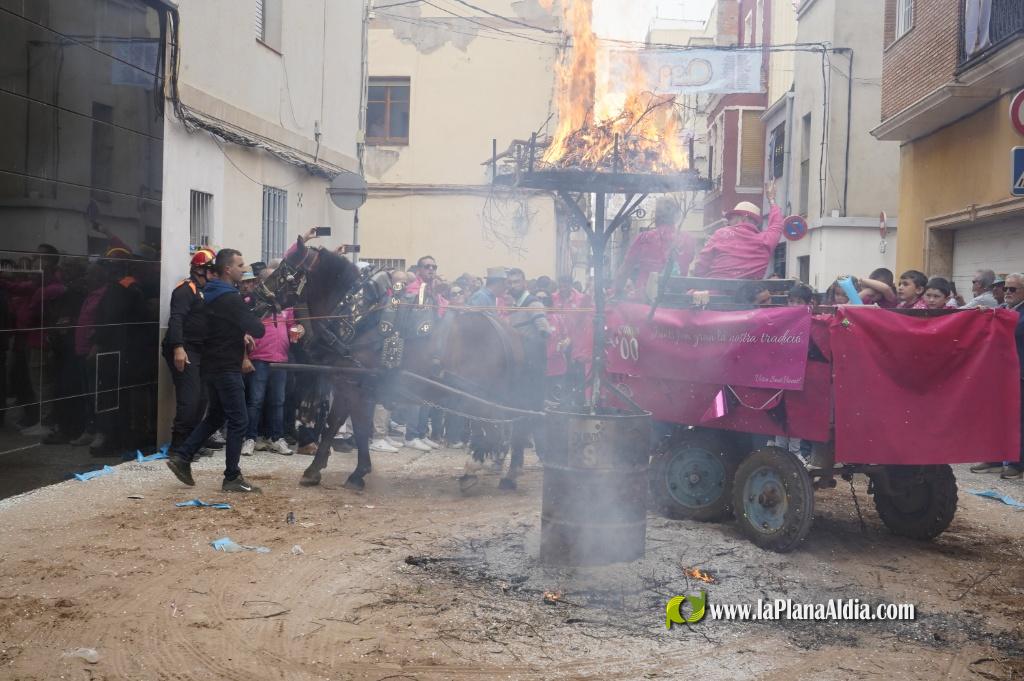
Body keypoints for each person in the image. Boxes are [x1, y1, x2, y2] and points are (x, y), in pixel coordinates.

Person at [165, 249, 267, 494]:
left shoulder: (211, 293)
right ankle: (232, 476)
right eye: (240, 265)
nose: (244, 269)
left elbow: (227, 324)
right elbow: (258, 329)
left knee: (216, 416)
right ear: (228, 269)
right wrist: (259, 313)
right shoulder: (230, 297)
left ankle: (182, 456)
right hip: (225, 366)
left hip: (211, 364)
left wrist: (241, 329)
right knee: (239, 420)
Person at [501, 268, 551, 489]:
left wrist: (539, 337)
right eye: (510, 282)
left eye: (517, 281)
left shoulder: (532, 303)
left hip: (532, 369)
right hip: (520, 368)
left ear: (524, 282)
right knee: (525, 415)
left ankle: (546, 460)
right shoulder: (515, 306)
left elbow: (543, 329)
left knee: (531, 414)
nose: (513, 284)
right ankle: (529, 459)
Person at [971, 272, 1024, 479]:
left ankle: (1017, 463)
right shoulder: (1001, 310)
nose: (1007, 292)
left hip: (1019, 374)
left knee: (1018, 419)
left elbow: (1011, 329)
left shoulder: (1009, 314)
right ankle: (993, 457)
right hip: (999, 373)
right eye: (1005, 288)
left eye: (1013, 289)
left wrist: (990, 318)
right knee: (995, 416)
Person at [162, 248, 214, 449]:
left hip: (200, 350)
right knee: (190, 398)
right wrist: (178, 348)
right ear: (200, 270)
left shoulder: (205, 291)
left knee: (202, 398)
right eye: (211, 269)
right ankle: (179, 444)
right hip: (185, 349)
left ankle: (192, 441)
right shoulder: (186, 289)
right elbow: (176, 319)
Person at [693, 182, 784, 280]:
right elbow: (777, 225)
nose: (729, 221)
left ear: (744, 218)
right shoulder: (765, 240)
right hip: (748, 294)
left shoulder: (721, 234)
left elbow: (701, 265)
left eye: (732, 218)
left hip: (715, 292)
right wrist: (771, 200)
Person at [241, 306, 299, 457]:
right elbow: (245, 329)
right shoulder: (257, 304)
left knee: (278, 401)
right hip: (259, 358)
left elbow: (291, 326)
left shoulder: (287, 307)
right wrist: (245, 357)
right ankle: (250, 438)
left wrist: (298, 329)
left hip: (281, 360)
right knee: (255, 400)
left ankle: (276, 438)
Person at [615, 197, 694, 297]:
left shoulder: (644, 238)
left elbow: (625, 270)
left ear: (656, 216)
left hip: (645, 302)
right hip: (677, 300)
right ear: (676, 216)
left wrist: (616, 292)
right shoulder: (688, 239)